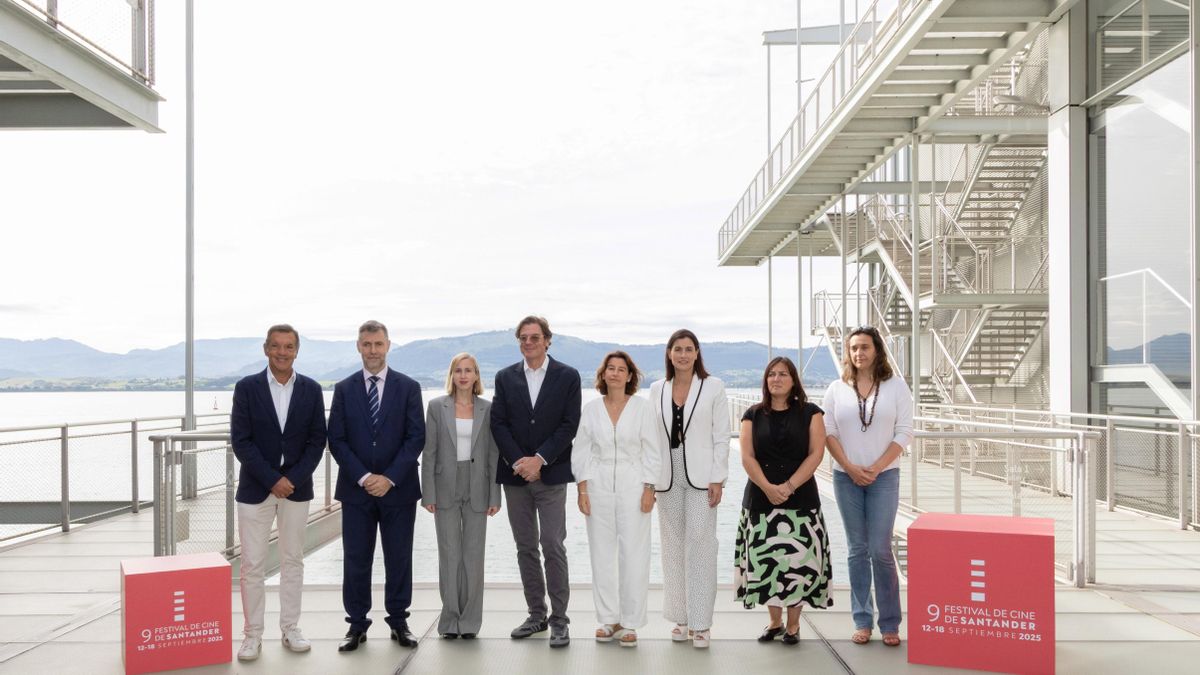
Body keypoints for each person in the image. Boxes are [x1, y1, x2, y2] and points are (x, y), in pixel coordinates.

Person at [230, 324, 327, 661]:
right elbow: (241, 440)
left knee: (292, 561)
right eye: (276, 346)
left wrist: (293, 479)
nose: (282, 352)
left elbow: (317, 441)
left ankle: (290, 629)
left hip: (297, 491)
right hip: (255, 489)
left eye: (288, 347)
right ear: (265, 349)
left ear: (297, 350)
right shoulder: (246, 388)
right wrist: (272, 479)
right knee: (252, 565)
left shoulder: (312, 390)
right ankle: (252, 635)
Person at [327, 320, 426, 652]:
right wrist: (366, 477)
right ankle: (356, 626)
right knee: (356, 558)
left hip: (399, 490)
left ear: (388, 346)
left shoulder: (409, 387)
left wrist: (389, 477)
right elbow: (337, 440)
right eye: (367, 344)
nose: (372, 350)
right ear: (358, 346)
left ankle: (399, 622)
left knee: (399, 558)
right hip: (357, 491)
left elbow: (416, 438)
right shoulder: (343, 389)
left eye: (378, 344)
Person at [490, 315, 581, 648]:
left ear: (547, 340)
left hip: (551, 474)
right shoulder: (504, 378)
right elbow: (499, 424)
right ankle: (536, 615)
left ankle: (560, 620)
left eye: (534, 337)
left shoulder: (568, 376)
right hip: (516, 477)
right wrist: (519, 461)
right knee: (525, 547)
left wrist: (539, 459)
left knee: (553, 546)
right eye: (523, 338)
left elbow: (569, 425)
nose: (528, 343)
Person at [824, 326, 913, 648]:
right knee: (857, 551)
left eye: (864, 347)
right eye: (853, 349)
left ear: (876, 350)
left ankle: (890, 623)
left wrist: (875, 468)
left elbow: (904, 432)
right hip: (845, 476)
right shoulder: (836, 388)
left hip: (884, 477)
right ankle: (862, 620)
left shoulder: (897, 388)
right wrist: (849, 467)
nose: (858, 353)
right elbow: (828, 432)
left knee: (880, 550)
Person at [734, 356, 832, 646]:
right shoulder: (751, 414)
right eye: (771, 374)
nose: (776, 379)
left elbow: (816, 454)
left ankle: (793, 626)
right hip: (760, 500)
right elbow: (747, 457)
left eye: (783, 374)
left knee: (798, 565)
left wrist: (787, 487)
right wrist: (768, 487)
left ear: (793, 381)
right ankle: (774, 622)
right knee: (767, 564)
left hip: (801, 498)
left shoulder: (811, 413)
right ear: (765, 380)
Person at [573, 351, 661, 648]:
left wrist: (650, 487)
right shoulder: (592, 409)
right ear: (603, 374)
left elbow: (652, 449)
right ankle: (608, 619)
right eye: (610, 368)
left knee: (634, 554)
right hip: (597, 487)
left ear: (629, 376)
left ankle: (630, 622)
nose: (615, 373)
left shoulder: (642, 408)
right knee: (602, 554)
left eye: (621, 369)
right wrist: (582, 489)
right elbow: (582, 450)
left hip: (634, 485)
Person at [648, 328, 729, 648]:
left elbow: (722, 436)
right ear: (669, 354)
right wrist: (650, 480)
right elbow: (651, 439)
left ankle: (701, 623)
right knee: (672, 548)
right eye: (677, 349)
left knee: (701, 545)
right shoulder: (657, 388)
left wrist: (718, 477)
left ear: (697, 354)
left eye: (689, 349)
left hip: (702, 475)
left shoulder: (714, 387)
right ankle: (681, 618)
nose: (683, 354)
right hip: (666, 474)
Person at [421, 353, 502, 639]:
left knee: (473, 557)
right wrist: (427, 491)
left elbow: (494, 454)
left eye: (469, 370)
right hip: (444, 485)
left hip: (478, 486)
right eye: (458, 370)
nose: (464, 375)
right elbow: (428, 452)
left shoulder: (488, 409)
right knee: (450, 555)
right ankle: (450, 621)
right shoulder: (436, 407)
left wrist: (495, 494)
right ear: (452, 375)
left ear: (477, 376)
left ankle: (469, 623)